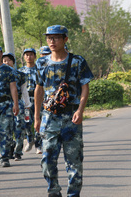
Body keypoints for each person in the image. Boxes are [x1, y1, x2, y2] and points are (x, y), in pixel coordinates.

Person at [34, 25, 93, 197]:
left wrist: (80, 110)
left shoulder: (77, 61)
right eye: (49, 38)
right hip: (49, 117)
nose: (52, 41)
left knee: (74, 160)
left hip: (71, 117)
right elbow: (38, 90)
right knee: (47, 160)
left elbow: (85, 87)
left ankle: (73, 194)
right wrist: (37, 117)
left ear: (65, 39)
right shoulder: (41, 62)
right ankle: (54, 191)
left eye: (56, 38)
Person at [2, 52, 32, 161]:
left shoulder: (20, 75)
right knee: (7, 128)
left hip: (18, 102)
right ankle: (10, 146)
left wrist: (27, 105)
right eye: (4, 60)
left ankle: (18, 152)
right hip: (4, 104)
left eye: (8, 60)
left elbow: (24, 90)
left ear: (13, 62)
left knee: (19, 126)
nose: (6, 62)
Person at [19, 48, 38, 153]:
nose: (29, 57)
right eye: (26, 55)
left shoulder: (39, 69)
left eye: (31, 55)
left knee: (37, 120)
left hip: (38, 98)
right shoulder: (21, 71)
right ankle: (30, 139)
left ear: (35, 56)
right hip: (26, 100)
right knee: (26, 121)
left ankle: (38, 144)